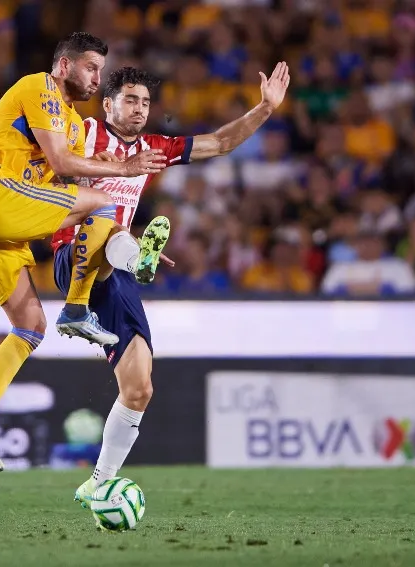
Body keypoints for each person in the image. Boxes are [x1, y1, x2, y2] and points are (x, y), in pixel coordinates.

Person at [50, 63, 290, 506]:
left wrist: (264, 108)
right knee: (106, 220)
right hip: (73, 256)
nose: (140, 109)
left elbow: (219, 143)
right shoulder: (81, 133)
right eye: (130, 100)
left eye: (145, 102)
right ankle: (131, 253)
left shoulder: (152, 147)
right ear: (107, 104)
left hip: (114, 274)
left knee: (139, 388)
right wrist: (90, 172)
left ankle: (99, 481)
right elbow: (50, 169)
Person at [0, 32, 168, 472]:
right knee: (100, 200)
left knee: (30, 325)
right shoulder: (40, 87)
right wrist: (122, 168)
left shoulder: (69, 121)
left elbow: (62, 187)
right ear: (65, 66)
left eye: (101, 71)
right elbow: (66, 165)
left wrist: (120, 246)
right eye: (91, 68)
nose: (97, 78)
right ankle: (77, 309)